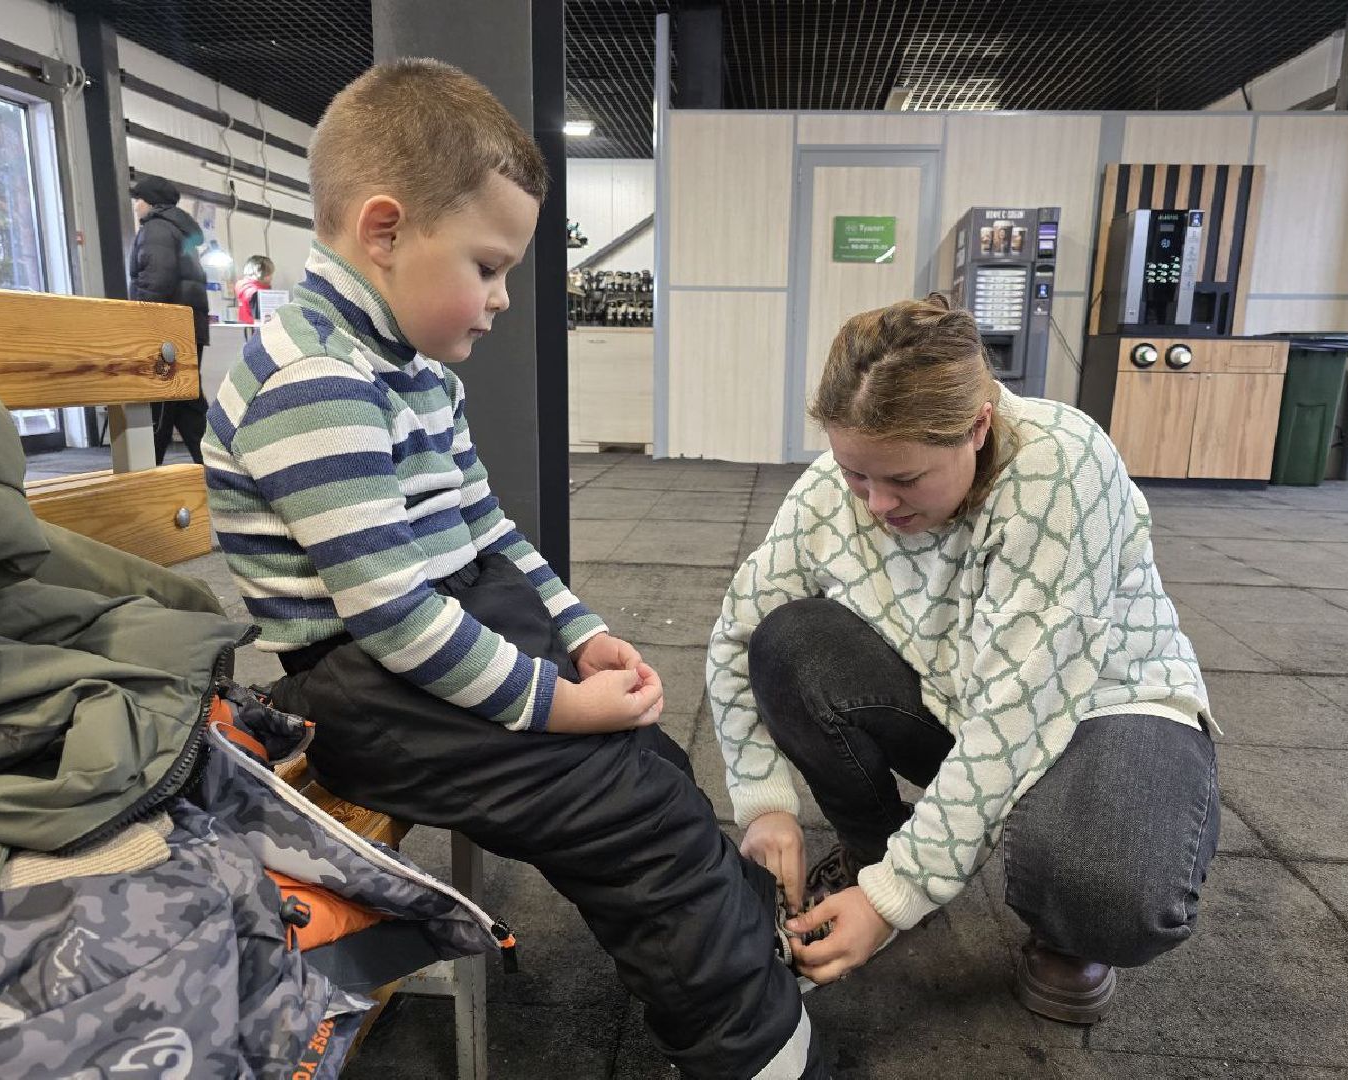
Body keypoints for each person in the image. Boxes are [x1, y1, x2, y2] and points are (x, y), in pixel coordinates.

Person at [201, 60, 822, 1079]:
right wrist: (564, 707)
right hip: (372, 692)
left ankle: (745, 952)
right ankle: (753, 1047)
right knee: (628, 805)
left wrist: (579, 634)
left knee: (653, 767)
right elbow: (394, 619)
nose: (499, 300)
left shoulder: (412, 371)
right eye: (488, 266)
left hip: (452, 638)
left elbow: (489, 529)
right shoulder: (315, 380)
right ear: (385, 230)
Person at [709, 294, 1220, 1025]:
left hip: (1107, 705)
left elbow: (1018, 713)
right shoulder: (837, 487)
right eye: (857, 472)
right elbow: (736, 633)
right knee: (788, 642)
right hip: (957, 694)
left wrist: (894, 903)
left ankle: (1066, 931)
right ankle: (873, 851)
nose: (876, 502)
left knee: (1105, 893)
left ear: (978, 426)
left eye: (905, 480)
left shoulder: (1060, 467)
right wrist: (763, 804)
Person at [128, 174, 210, 464]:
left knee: (160, 402)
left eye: (138, 200)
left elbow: (155, 281)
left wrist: (140, 325)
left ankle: (148, 470)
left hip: (166, 331)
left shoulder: (157, 230)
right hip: (187, 327)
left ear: (150, 202)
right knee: (187, 402)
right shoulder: (179, 229)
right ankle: (218, 470)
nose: (136, 206)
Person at [234, 254, 275, 324]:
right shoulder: (255, 293)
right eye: (269, 274)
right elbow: (261, 320)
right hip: (257, 331)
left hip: (245, 329)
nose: (271, 278)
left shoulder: (242, 287)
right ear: (260, 273)